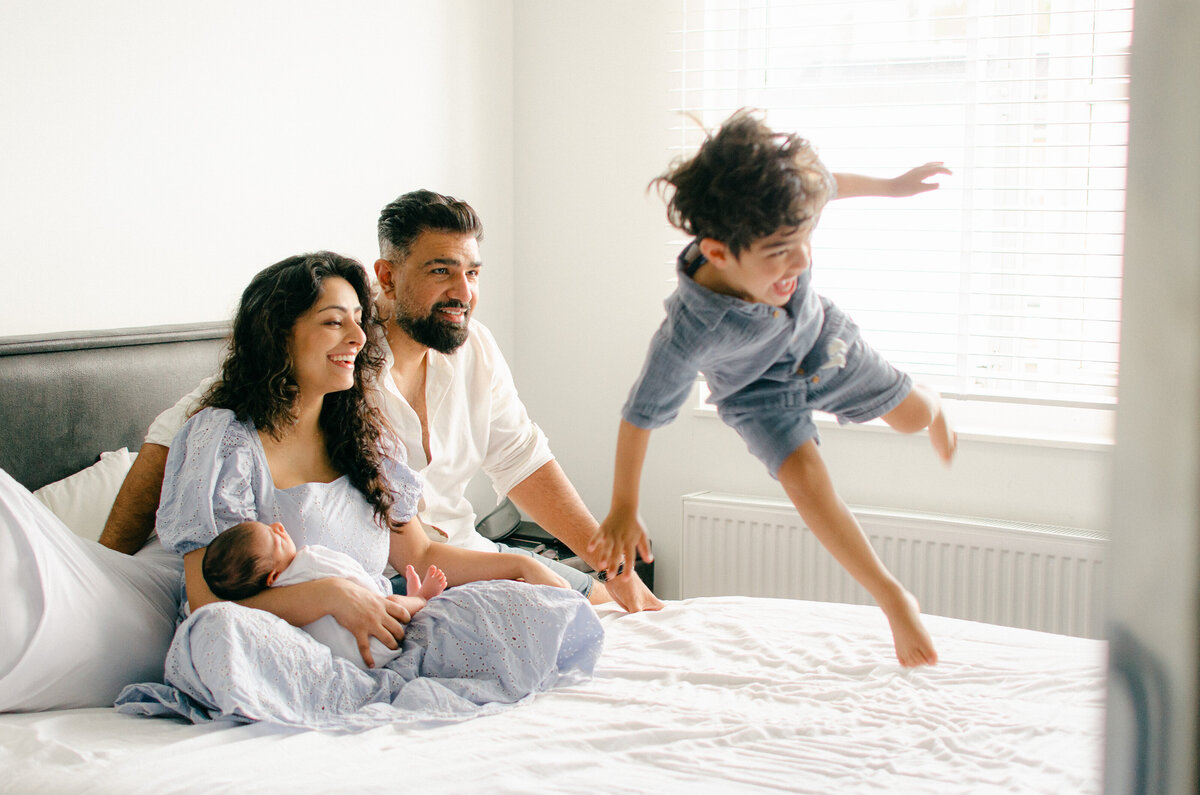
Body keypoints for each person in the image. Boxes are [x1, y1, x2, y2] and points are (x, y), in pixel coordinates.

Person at [98, 190, 663, 619]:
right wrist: (102, 579)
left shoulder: (473, 352)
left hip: (461, 557)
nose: (463, 293)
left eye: (471, 273)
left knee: (605, 613)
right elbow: (179, 437)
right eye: (441, 270)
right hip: (385, 578)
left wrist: (613, 570)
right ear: (387, 277)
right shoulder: (322, 365)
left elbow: (523, 462)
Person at [115, 252, 603, 730]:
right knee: (217, 633)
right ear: (279, 334)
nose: (358, 337)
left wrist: (521, 565)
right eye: (333, 323)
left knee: (510, 605)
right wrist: (331, 595)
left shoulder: (362, 437)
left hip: (374, 642)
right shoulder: (220, 438)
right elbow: (207, 601)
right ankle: (344, 697)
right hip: (271, 641)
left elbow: (422, 553)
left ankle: (374, 687)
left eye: (359, 321)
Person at [590, 110, 956, 668]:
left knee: (913, 418)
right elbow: (639, 417)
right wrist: (623, 507)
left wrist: (894, 187)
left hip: (823, 344)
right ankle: (893, 599)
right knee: (808, 482)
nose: (800, 259)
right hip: (758, 395)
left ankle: (930, 398)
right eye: (779, 253)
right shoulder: (687, 333)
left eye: (804, 240)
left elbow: (831, 187)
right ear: (717, 253)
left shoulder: (782, 215)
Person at [202, 520, 448, 671]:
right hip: (379, 644)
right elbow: (357, 582)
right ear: (272, 577)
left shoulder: (277, 601)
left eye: (269, 527)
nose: (278, 527)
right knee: (392, 604)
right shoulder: (310, 561)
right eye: (275, 539)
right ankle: (421, 598)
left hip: (348, 660)